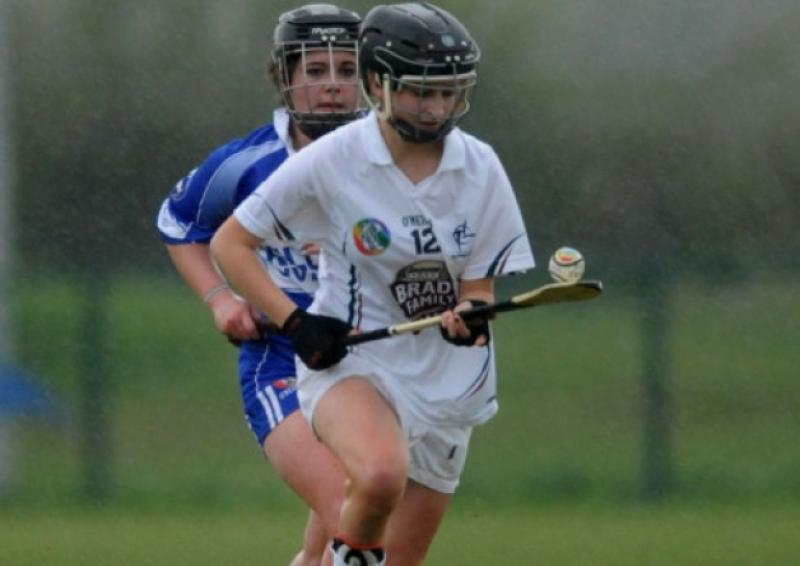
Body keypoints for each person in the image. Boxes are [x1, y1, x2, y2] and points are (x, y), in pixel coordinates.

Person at [210, 2, 536, 565]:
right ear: (378, 83)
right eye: (420, 92)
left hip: (450, 387)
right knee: (382, 474)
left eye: (447, 92)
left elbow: (478, 286)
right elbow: (230, 246)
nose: (436, 108)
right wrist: (297, 322)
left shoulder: (480, 167)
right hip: (355, 364)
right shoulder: (337, 159)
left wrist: (472, 318)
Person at [155, 5, 363, 565]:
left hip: (369, 361)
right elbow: (179, 224)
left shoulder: (392, 164)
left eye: (347, 70)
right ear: (285, 77)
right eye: (315, 71)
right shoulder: (248, 163)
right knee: (355, 513)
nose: (333, 87)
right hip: (279, 358)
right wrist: (219, 297)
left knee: (344, 528)